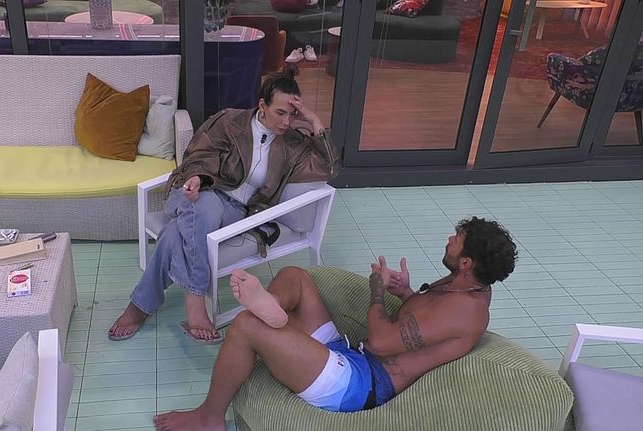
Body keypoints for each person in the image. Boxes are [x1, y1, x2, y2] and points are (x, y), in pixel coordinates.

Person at [153, 217, 517, 431]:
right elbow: (426, 330)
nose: (449, 239)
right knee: (296, 276)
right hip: (352, 357)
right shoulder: (464, 284)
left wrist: (377, 292)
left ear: (467, 262)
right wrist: (407, 293)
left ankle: (210, 417)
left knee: (246, 325)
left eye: (456, 241)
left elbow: (382, 342)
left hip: (358, 386)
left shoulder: (467, 310)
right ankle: (273, 308)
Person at [108, 64, 339, 343]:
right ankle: (196, 299)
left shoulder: (292, 144)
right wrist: (197, 178)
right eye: (280, 112)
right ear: (262, 105)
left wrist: (314, 121)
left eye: (292, 114)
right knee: (202, 204)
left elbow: (329, 168)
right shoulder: (230, 121)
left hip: (236, 211)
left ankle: (139, 307)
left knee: (172, 234)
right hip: (195, 191)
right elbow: (198, 154)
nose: (286, 122)